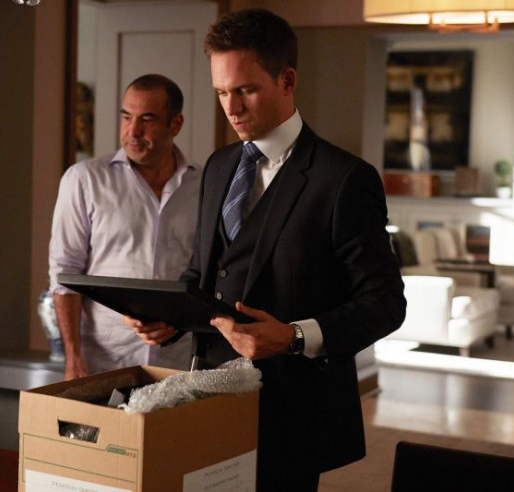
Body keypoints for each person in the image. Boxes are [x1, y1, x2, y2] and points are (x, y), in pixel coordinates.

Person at [126, 9, 406, 491]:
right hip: (208, 401)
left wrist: (294, 337)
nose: (231, 108)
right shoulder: (218, 166)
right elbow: (204, 273)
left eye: (245, 90)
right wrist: (169, 318)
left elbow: (386, 304)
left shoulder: (344, 179)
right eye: (221, 92)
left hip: (293, 417)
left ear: (287, 80)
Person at [49, 74, 201, 379]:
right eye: (126, 117)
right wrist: (73, 357)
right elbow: (64, 273)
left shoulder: (204, 185)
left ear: (175, 124)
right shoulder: (84, 180)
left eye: (147, 119)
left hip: (179, 363)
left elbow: (209, 275)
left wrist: (180, 322)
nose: (133, 131)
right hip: (103, 363)